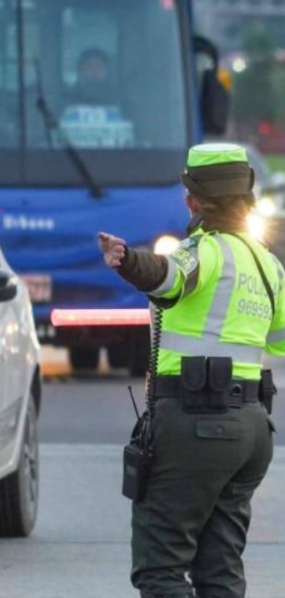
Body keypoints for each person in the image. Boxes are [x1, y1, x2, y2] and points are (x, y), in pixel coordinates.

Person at [98, 143, 280, 598]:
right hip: (252, 431)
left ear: (192, 199)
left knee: (160, 569)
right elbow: (279, 339)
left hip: (197, 425)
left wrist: (127, 260)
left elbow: (166, 275)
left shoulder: (205, 250)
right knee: (219, 570)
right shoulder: (268, 264)